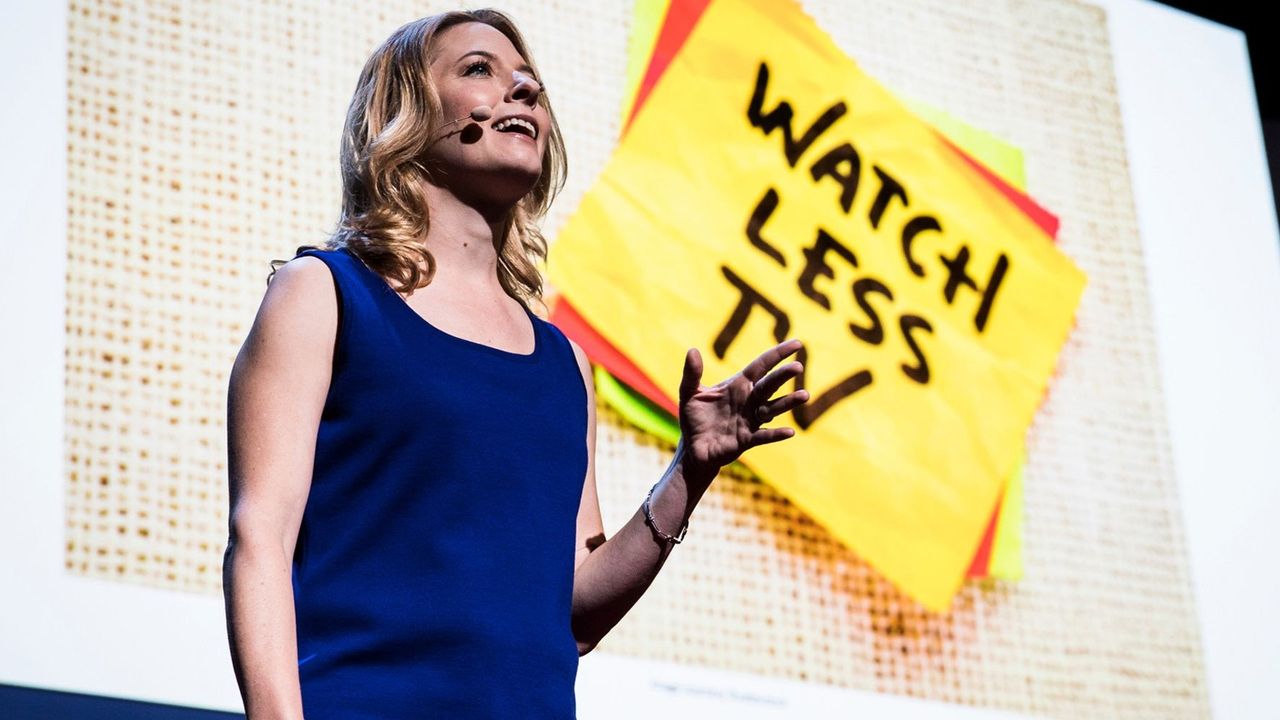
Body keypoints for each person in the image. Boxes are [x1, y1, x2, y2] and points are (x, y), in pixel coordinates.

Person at [222, 8, 809, 719]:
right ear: (405, 111)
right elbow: (261, 537)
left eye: (530, 82)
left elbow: (578, 610)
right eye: (480, 70)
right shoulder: (326, 294)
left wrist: (690, 470)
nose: (524, 91)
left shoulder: (565, 364)